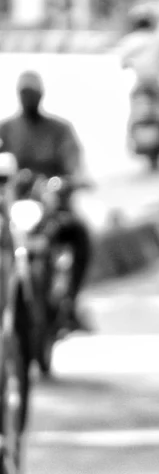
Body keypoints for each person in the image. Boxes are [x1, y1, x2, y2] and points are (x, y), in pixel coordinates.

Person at [0, 71, 93, 331]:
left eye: (32, 93)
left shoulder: (59, 130)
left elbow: (75, 164)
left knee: (81, 234)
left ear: (41, 96)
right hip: (16, 209)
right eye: (24, 94)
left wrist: (70, 181)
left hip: (51, 206)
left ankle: (70, 301)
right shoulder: (6, 129)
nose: (28, 98)